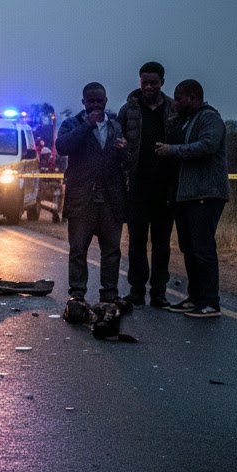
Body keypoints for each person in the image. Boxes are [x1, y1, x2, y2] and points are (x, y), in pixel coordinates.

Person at [155, 80, 229, 318]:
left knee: (203, 248)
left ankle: (210, 302)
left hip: (205, 193)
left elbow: (208, 146)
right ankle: (195, 297)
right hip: (186, 195)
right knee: (189, 248)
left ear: (193, 96)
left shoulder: (209, 118)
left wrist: (173, 150)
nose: (175, 103)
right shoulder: (186, 120)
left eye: (179, 98)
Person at [55, 83, 128, 304]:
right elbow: (62, 147)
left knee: (112, 250)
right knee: (78, 249)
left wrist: (126, 151)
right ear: (83, 102)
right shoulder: (72, 124)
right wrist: (87, 125)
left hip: (111, 199)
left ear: (105, 101)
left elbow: (128, 162)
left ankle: (109, 294)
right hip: (81, 199)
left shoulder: (116, 126)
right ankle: (77, 294)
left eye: (99, 101)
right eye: (91, 101)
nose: (95, 105)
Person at [117, 62, 179, 307]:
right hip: (137, 186)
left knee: (162, 245)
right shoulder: (128, 110)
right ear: (140, 81)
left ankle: (159, 292)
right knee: (136, 243)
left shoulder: (174, 110)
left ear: (162, 82)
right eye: (145, 82)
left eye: (154, 82)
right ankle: (136, 291)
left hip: (165, 188)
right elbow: (117, 138)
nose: (149, 87)